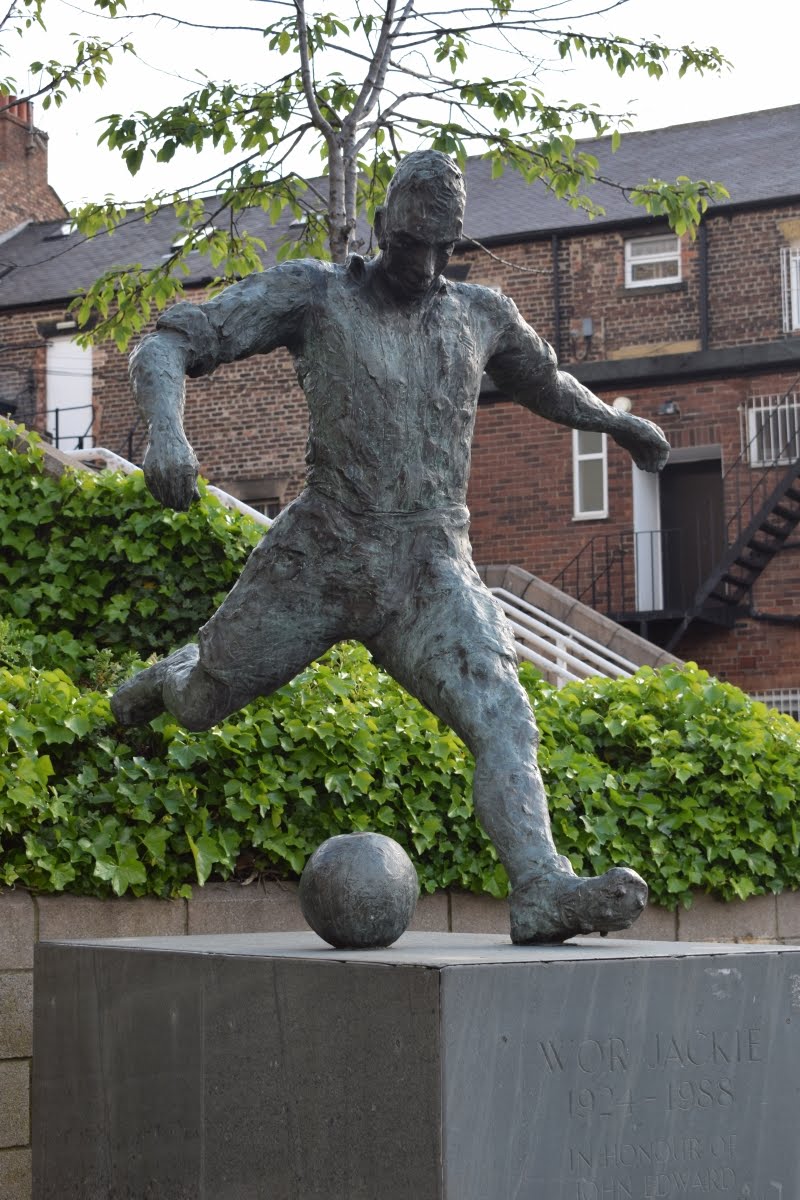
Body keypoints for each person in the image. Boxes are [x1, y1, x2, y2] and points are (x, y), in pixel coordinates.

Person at [112, 149, 669, 943]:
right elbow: (165, 343)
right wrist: (165, 434)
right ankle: (172, 675)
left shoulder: (480, 314)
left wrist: (618, 424)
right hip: (323, 556)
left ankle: (540, 887)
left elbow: (543, 381)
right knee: (203, 703)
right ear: (380, 231)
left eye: (446, 249)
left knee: (503, 714)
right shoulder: (314, 294)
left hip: (430, 568)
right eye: (414, 246)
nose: (429, 265)